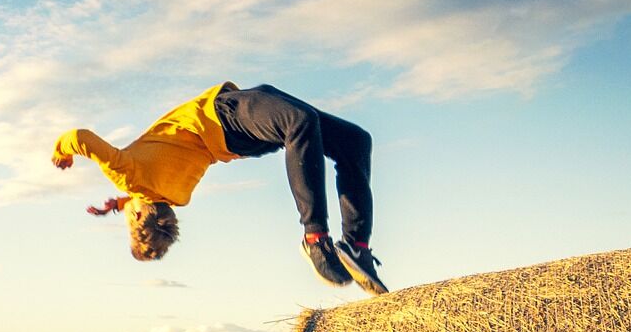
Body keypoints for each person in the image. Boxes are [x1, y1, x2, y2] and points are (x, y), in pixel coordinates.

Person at [51, 81, 387, 294]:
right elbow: (79, 138)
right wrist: (61, 152)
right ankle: (315, 238)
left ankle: (357, 245)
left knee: (354, 141)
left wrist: (119, 204)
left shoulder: (176, 197)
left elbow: (148, 196)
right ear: (139, 213)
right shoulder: (128, 176)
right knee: (299, 122)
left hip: (242, 141)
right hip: (225, 116)